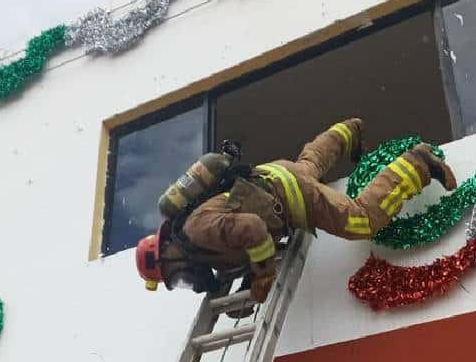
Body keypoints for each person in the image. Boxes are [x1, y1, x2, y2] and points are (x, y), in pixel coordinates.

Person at [136, 118, 457, 313]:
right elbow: (239, 242)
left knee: (361, 220)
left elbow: (252, 227)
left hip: (290, 198)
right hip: (276, 176)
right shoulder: (201, 246)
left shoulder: (197, 229)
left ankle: (418, 163)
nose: (185, 280)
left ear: (167, 254)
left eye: (176, 276)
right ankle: (350, 129)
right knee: (310, 162)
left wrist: (262, 276)